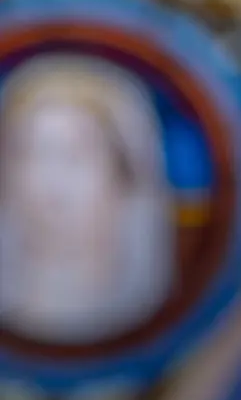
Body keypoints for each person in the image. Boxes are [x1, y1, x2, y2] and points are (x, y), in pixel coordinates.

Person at [0, 53, 174, 345]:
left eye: (75, 157)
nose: (52, 187)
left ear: (124, 177)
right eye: (30, 155)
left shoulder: (145, 317)